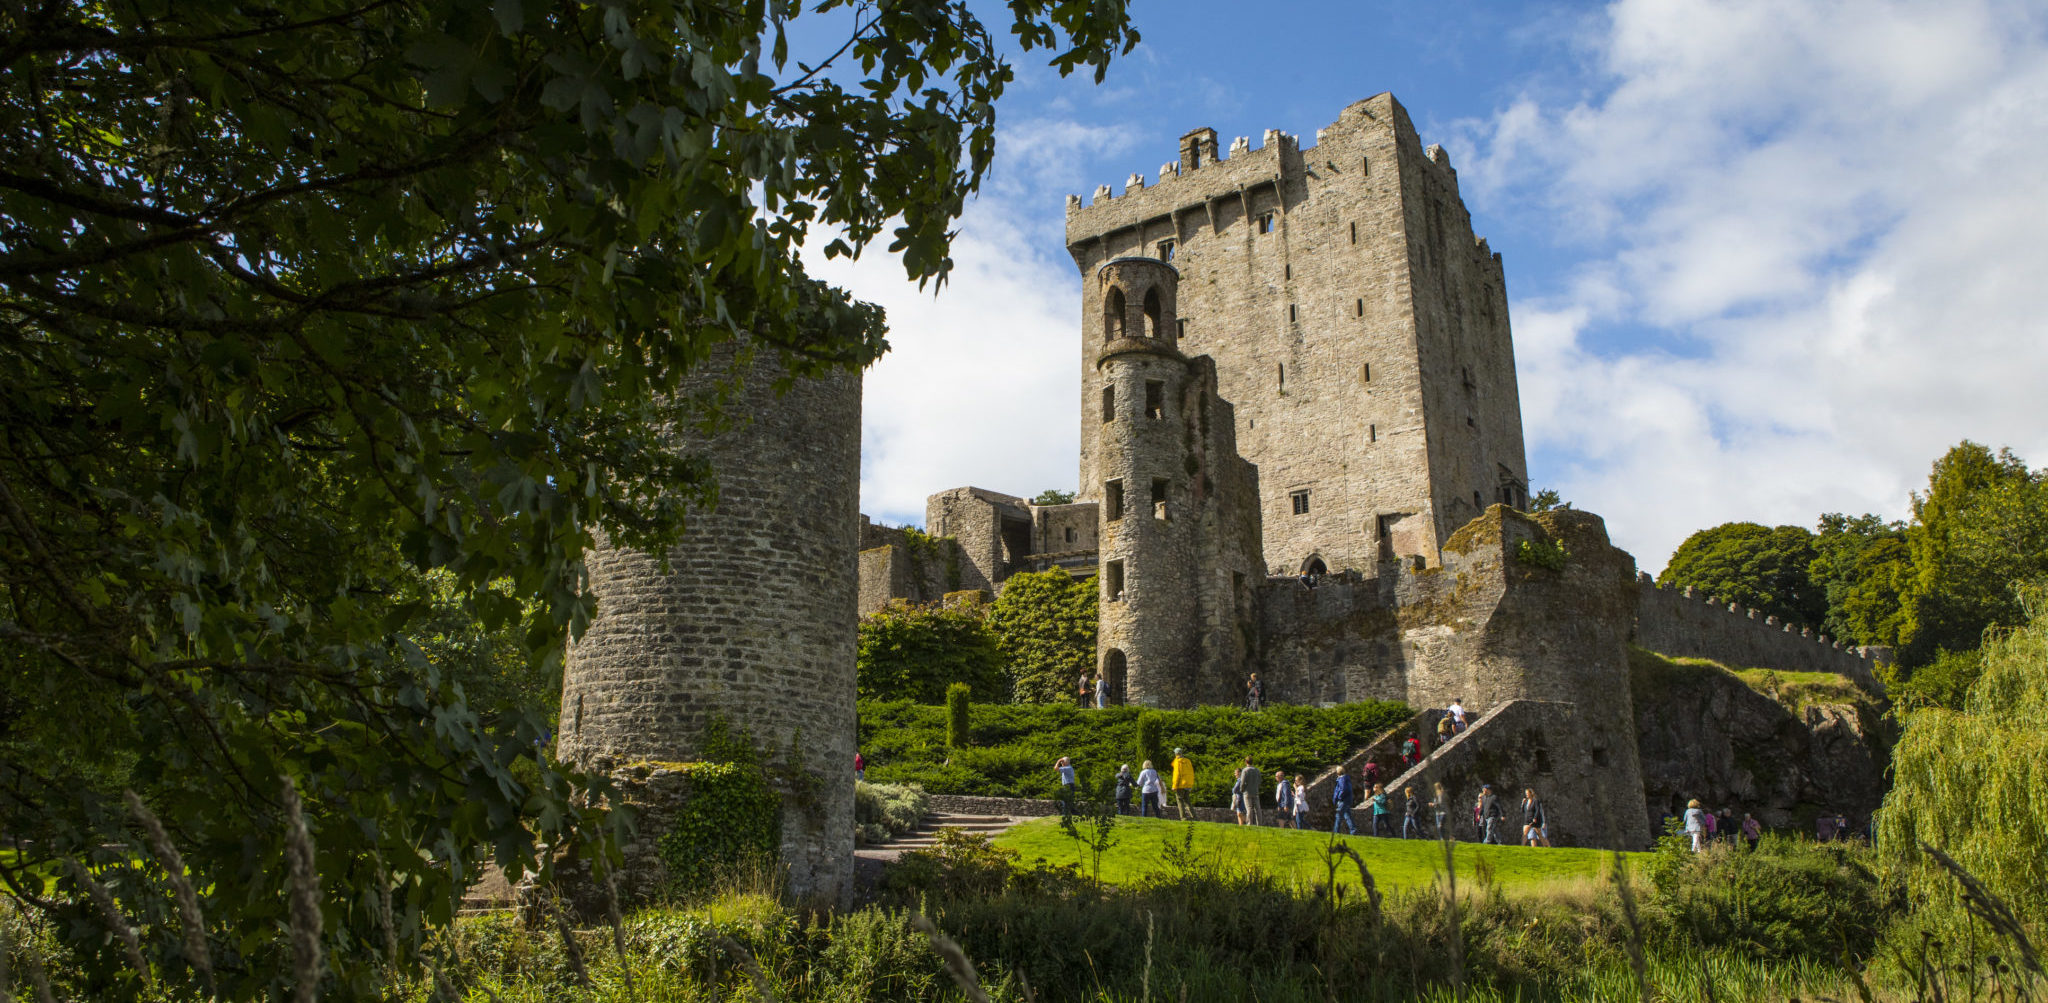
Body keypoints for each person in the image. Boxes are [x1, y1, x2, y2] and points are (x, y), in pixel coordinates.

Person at [1233, 758, 1262, 825]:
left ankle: (1249, 823)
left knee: (1249, 808)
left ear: (1246, 762)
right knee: (1258, 809)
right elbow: (1260, 781)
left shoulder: (1245, 770)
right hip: (1256, 792)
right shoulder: (1257, 770)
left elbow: (1242, 782)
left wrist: (1242, 790)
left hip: (1247, 792)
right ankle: (1259, 824)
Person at [1170, 748, 1195, 821]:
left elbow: (1177, 775)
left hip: (1180, 785)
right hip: (1188, 784)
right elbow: (1191, 773)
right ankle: (1194, 817)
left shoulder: (1177, 762)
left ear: (1176, 754)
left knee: (1180, 800)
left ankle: (1183, 817)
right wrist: (1190, 784)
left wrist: (1174, 786)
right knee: (1187, 801)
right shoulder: (1188, 761)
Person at [1331, 769, 1358, 835]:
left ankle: (1336, 831)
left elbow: (1343, 789)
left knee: (1338, 816)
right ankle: (1353, 830)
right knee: (1348, 815)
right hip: (1347, 800)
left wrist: (1339, 798)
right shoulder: (1345, 778)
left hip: (1343, 801)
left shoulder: (1342, 779)